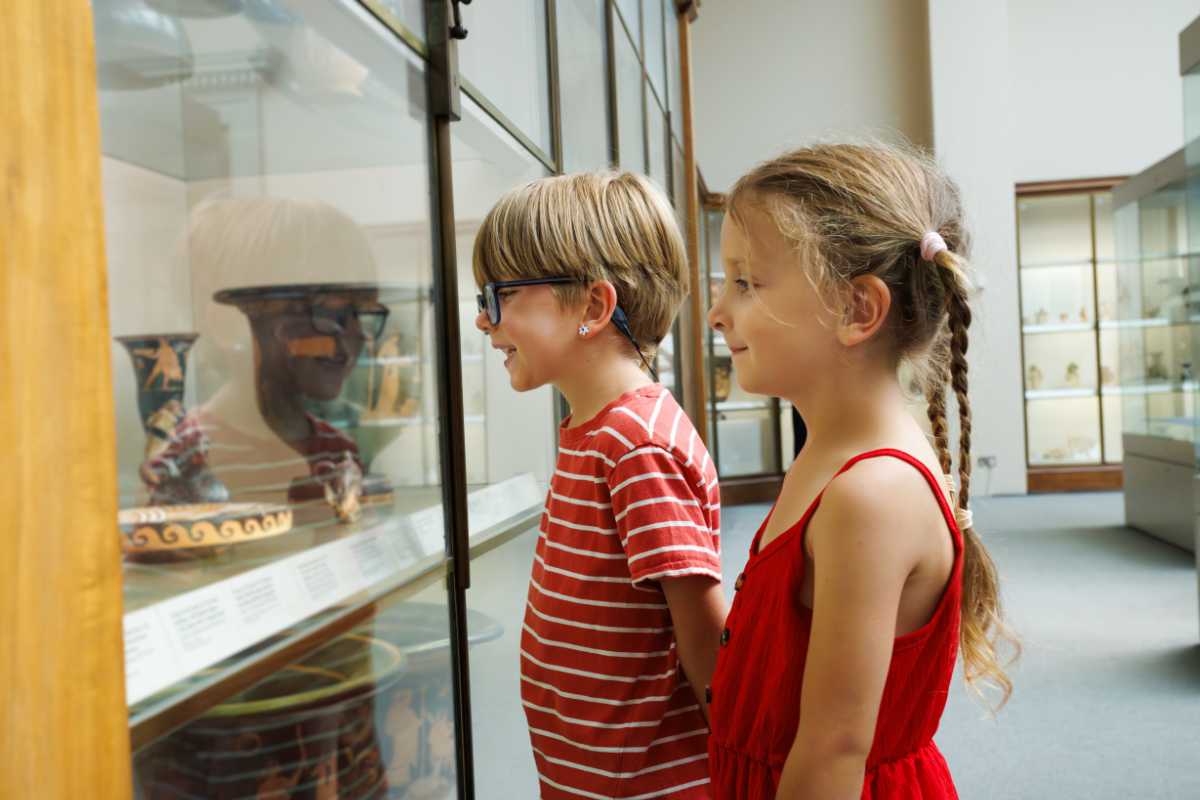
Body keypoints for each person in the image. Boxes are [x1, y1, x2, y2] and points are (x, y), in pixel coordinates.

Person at [705, 143, 1018, 799]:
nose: (716, 311)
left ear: (857, 310)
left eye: (745, 282)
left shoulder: (871, 495)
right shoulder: (829, 456)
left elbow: (833, 752)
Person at [473, 171, 727, 799]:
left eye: (497, 295)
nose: (484, 321)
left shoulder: (635, 444)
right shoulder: (596, 431)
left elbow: (701, 636)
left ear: (592, 306)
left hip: (648, 783)